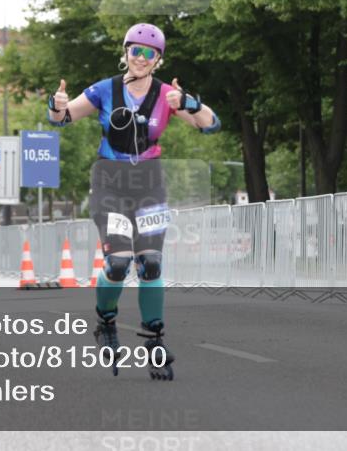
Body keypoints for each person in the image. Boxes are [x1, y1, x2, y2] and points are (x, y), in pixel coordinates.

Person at [47, 23, 221, 380]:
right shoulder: (104, 90)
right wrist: (56, 105)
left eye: (149, 54)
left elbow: (211, 124)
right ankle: (106, 320)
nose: (141, 58)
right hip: (110, 183)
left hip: (149, 184)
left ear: (158, 60)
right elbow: (62, 119)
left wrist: (190, 103)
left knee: (151, 262)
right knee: (118, 262)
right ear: (125, 52)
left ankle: (154, 337)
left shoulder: (167, 95)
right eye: (135, 51)